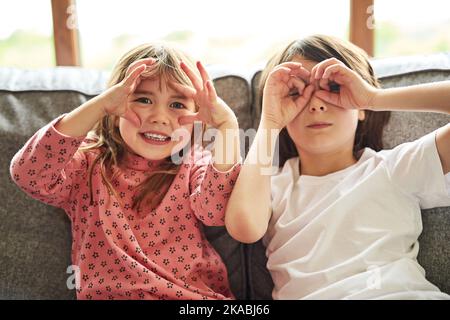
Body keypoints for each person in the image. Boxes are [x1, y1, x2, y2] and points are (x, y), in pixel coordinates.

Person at [10, 43, 241, 300]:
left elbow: (214, 211)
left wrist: (227, 126)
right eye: (144, 100)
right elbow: (29, 173)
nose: (159, 117)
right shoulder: (87, 162)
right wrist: (99, 106)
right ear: (115, 105)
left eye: (177, 105)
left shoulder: (195, 162)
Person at [225, 34, 450, 299]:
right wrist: (271, 121)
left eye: (332, 88)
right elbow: (243, 228)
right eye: (296, 93)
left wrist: (372, 98)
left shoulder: (393, 168)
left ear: (361, 110)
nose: (316, 104)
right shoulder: (272, 186)